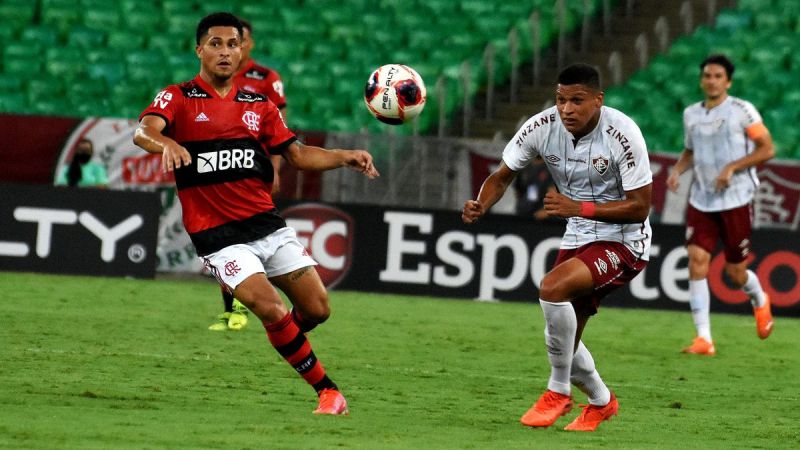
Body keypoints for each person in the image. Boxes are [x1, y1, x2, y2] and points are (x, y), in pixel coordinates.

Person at [133, 12, 379, 415]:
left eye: (233, 44)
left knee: (317, 310)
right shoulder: (178, 97)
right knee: (270, 308)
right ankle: (328, 392)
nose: (225, 51)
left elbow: (297, 154)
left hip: (267, 225)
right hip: (218, 235)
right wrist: (164, 144)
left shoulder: (258, 104)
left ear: (243, 50)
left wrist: (342, 157)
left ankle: (285, 340)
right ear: (200, 50)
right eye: (216, 44)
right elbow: (144, 130)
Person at [462, 64, 652, 431]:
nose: (567, 109)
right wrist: (481, 204)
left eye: (577, 100)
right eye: (561, 99)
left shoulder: (623, 133)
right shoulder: (540, 127)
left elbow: (641, 205)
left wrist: (578, 207)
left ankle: (558, 390)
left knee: (552, 288)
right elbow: (502, 175)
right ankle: (601, 402)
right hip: (578, 232)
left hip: (625, 240)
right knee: (565, 337)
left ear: (598, 100)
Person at [667, 54, 775, 356]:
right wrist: (677, 170)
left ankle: (759, 299)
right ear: (701, 80)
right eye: (707, 76)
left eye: (717, 76)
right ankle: (704, 338)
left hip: (736, 199)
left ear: (727, 81)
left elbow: (767, 148)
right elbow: (690, 150)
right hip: (702, 199)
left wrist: (732, 167)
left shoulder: (742, 111)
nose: (711, 80)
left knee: (735, 273)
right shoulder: (691, 114)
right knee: (696, 260)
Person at [208, 17, 291, 332]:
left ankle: (248, 306)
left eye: (237, 41)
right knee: (224, 237)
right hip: (220, 167)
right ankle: (232, 310)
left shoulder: (266, 78)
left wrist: (277, 168)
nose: (232, 47)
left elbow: (279, 127)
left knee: (250, 236)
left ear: (248, 44)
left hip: (255, 167)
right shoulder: (216, 77)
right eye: (225, 42)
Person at [512, 156, 554, 220]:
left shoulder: (551, 167)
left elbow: (553, 192)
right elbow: (518, 190)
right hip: (522, 212)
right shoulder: (524, 166)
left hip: (541, 214)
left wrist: (547, 210)